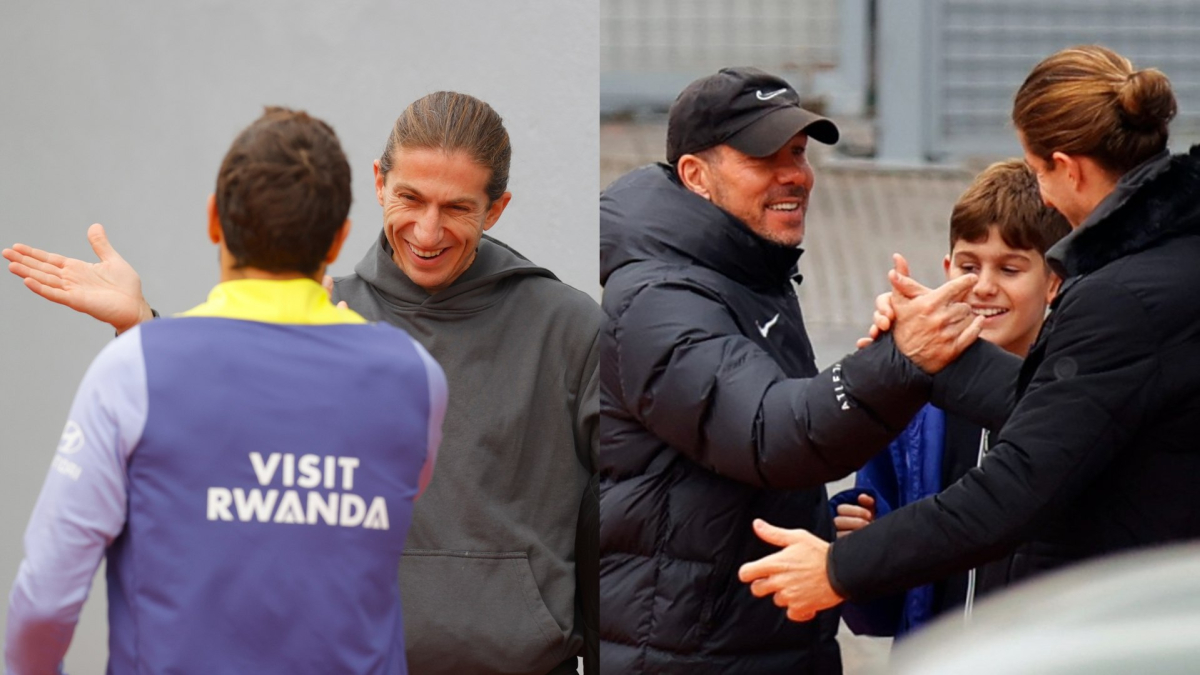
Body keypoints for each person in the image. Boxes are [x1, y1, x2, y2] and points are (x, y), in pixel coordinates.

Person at [3, 92, 599, 675]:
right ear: (376, 186)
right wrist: (145, 328)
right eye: (409, 198)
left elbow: (619, 526)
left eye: (457, 208)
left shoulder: (568, 328)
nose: (427, 229)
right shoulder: (360, 336)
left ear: (495, 209)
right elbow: (235, 422)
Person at [739, 45, 1200, 624]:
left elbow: (1016, 487)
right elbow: (1070, 407)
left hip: (1126, 621)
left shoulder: (1123, 297)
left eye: (1038, 173)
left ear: (1070, 167)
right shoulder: (1167, 260)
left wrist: (838, 568)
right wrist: (929, 349)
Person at [597, 66, 982, 674]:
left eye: (798, 154)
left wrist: (824, 524)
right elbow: (771, 433)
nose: (794, 176)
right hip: (687, 656)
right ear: (697, 176)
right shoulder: (660, 301)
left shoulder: (747, 269)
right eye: (763, 159)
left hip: (764, 642)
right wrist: (899, 359)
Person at [829, 159, 1070, 637]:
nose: (983, 286)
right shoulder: (915, 399)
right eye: (968, 266)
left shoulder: (1075, 396)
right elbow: (877, 611)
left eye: (1009, 268)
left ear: (1054, 280)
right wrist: (856, 543)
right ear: (946, 269)